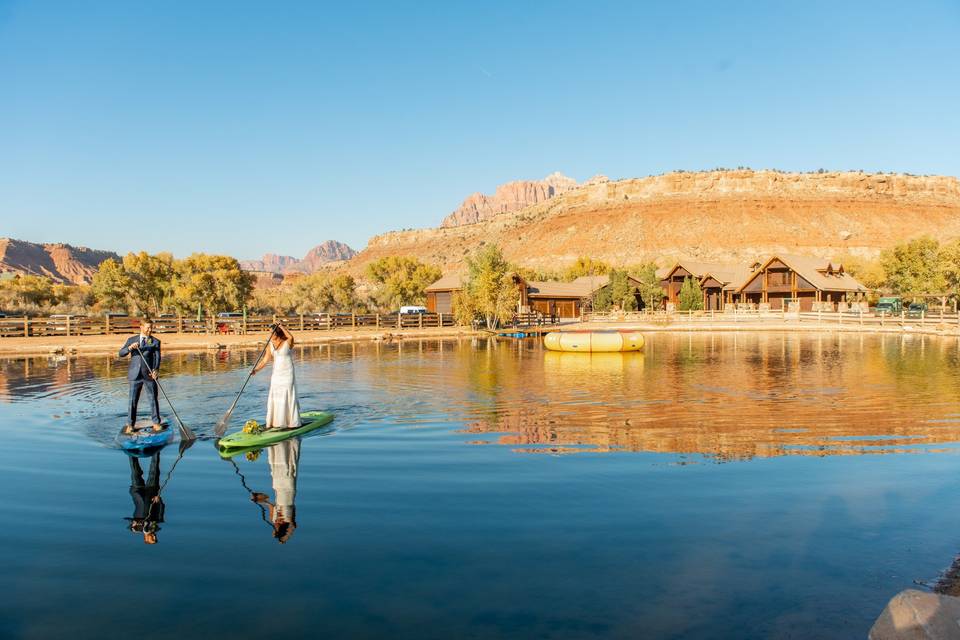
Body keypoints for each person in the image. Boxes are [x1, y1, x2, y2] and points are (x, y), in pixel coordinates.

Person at [252, 322, 301, 429]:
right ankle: (276, 422)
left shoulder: (287, 342)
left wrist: (281, 326)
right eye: (269, 333)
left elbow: (290, 336)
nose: (269, 335)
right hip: (276, 374)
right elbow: (265, 360)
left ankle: (291, 422)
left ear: (277, 332)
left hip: (288, 373)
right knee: (276, 396)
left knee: (287, 395)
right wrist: (256, 370)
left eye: (271, 332)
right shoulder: (269, 345)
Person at [251, 438, 300, 544]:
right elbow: (293, 528)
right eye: (276, 528)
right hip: (288, 489)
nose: (275, 526)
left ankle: (277, 444)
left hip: (277, 487)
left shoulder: (273, 520)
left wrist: (257, 499)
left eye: (274, 528)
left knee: (276, 468)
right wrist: (284, 538)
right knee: (288, 469)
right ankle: (289, 444)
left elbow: (270, 505)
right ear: (282, 529)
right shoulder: (289, 521)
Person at [119, 319, 162, 434]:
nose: (150, 330)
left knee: (153, 399)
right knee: (132, 400)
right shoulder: (131, 340)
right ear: (141, 327)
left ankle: (156, 423)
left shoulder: (155, 341)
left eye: (151, 327)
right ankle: (130, 425)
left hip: (149, 375)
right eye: (147, 327)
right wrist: (130, 348)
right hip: (134, 375)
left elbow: (157, 358)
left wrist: (156, 370)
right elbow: (121, 353)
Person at [125, 452, 164, 545]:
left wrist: (134, 522)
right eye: (155, 537)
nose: (154, 536)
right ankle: (156, 449)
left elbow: (128, 522)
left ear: (145, 538)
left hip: (137, 492)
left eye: (152, 538)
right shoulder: (157, 526)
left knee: (135, 471)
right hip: (152, 493)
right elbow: (161, 509)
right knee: (154, 470)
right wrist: (158, 499)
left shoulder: (135, 529)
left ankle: (131, 449)